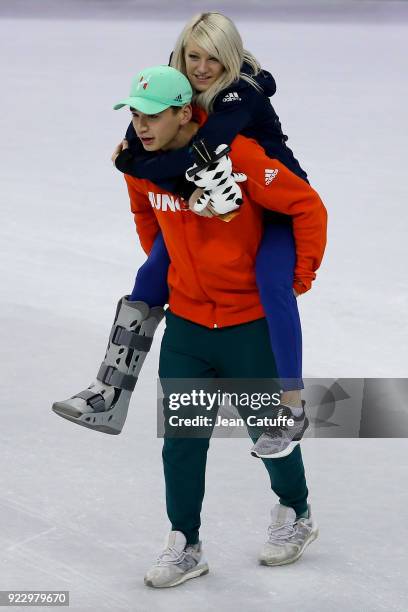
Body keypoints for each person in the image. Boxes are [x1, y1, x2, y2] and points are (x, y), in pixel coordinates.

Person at [52, 12, 324, 460]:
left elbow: (199, 149)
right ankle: (109, 392)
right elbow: (143, 146)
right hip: (214, 200)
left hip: (272, 199)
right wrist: (141, 174)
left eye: (214, 58)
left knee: (275, 285)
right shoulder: (171, 88)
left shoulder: (243, 92)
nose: (202, 68)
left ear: (231, 58)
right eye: (194, 56)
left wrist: (131, 163)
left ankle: (291, 406)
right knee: (149, 277)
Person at [111, 64, 326, 587]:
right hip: (186, 327)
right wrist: (177, 268)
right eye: (136, 114)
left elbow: (307, 205)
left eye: (153, 115)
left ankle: (295, 512)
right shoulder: (141, 166)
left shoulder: (239, 155)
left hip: (246, 324)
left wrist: (297, 279)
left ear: (186, 113)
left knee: (269, 431)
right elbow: (146, 214)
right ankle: (186, 543)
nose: (141, 125)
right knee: (182, 439)